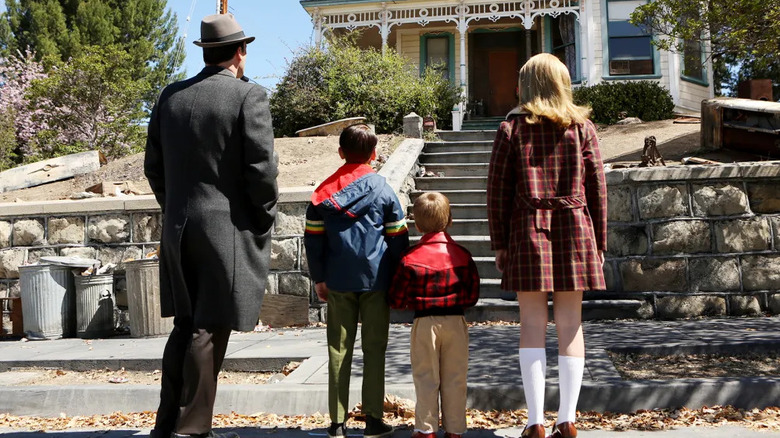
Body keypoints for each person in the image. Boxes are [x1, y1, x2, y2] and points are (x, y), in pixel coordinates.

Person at [144, 13, 278, 438]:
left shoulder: (170, 97)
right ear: (240, 52)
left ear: (206, 51)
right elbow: (262, 171)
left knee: (186, 324)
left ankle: (168, 424)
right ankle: (194, 427)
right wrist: (261, 217)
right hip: (224, 228)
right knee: (210, 324)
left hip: (179, 225)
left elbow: (154, 167)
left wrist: (176, 207)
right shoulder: (248, 96)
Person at [486, 53, 607, 438]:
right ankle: (567, 420)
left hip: (527, 228)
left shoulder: (511, 130)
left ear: (526, 86)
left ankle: (535, 422)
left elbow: (497, 192)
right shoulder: (583, 128)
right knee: (571, 326)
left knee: (531, 324)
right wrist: (600, 240)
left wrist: (500, 242)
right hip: (576, 229)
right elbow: (598, 190)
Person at [303, 124, 409, 438]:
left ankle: (336, 424)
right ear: (374, 155)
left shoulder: (322, 194)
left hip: (337, 281)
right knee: (375, 349)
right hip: (377, 282)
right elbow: (398, 238)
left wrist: (319, 278)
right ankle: (374, 421)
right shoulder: (383, 189)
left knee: (338, 350)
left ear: (340, 153)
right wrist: (396, 277)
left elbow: (313, 241)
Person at [388, 192, 480, 438]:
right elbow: (472, 296)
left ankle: (425, 428)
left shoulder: (409, 258)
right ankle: (455, 429)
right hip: (456, 320)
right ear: (450, 220)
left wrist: (412, 300)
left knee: (426, 377)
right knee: (455, 378)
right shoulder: (462, 255)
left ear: (416, 225)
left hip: (424, 321)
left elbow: (396, 299)